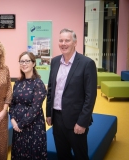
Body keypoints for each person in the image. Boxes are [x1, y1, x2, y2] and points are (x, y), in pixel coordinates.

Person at [46, 28, 97, 160]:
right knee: (62, 155)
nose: (63, 43)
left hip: (76, 120)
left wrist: (82, 122)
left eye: (67, 40)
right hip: (57, 119)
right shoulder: (55, 61)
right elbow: (51, 89)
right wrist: (49, 113)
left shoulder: (87, 63)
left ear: (75, 42)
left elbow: (90, 97)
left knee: (80, 156)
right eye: (61, 40)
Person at [9, 51, 47, 159]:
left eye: (27, 61)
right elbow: (12, 104)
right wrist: (12, 119)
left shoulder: (38, 83)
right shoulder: (17, 83)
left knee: (32, 154)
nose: (24, 64)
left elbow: (35, 108)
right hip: (17, 127)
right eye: (21, 61)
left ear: (33, 64)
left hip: (33, 127)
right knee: (19, 153)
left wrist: (20, 124)